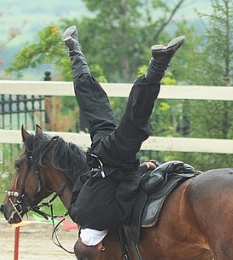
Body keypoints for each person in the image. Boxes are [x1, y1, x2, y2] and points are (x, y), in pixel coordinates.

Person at [63, 26, 185, 246]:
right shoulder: (77, 213)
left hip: (116, 158)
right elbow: (82, 180)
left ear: (100, 245)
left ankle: (158, 65)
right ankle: (73, 49)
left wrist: (142, 169)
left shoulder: (111, 218)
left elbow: (129, 188)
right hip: (98, 151)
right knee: (92, 100)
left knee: (135, 122)